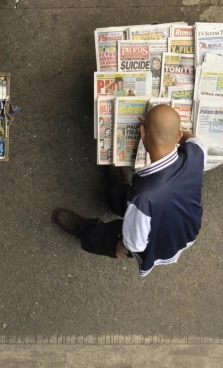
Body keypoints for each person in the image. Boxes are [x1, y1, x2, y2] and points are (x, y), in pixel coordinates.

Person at [52, 104, 206, 277]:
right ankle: (115, 196)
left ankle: (85, 231)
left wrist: (122, 245)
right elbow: (193, 139)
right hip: (184, 227)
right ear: (178, 135)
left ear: (142, 133)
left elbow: (136, 244)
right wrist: (165, 130)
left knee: (110, 238)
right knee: (127, 198)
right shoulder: (195, 155)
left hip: (156, 241)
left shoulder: (143, 199)